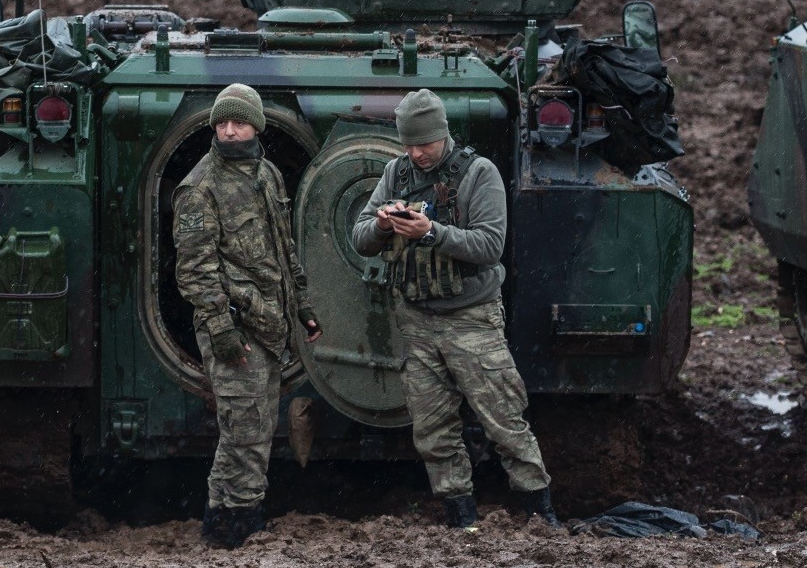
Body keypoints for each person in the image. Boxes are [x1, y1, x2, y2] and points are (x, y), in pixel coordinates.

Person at [350, 89, 555, 529]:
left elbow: (490, 245)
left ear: (443, 134)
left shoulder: (479, 173)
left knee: (504, 420)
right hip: (416, 319)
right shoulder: (396, 172)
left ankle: (540, 515)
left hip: (471, 318)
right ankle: (460, 518)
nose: (416, 153)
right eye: (408, 144)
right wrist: (383, 224)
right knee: (432, 430)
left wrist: (431, 233)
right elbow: (360, 237)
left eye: (424, 143)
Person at [172, 83, 321, 550]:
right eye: (222, 123)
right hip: (234, 325)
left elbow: (283, 249)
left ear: (256, 126)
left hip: (270, 322)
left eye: (238, 122)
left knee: (248, 428)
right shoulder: (200, 188)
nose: (229, 131)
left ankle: (221, 523)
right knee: (247, 430)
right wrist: (221, 329)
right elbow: (194, 270)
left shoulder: (268, 174)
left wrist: (302, 306)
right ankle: (242, 527)